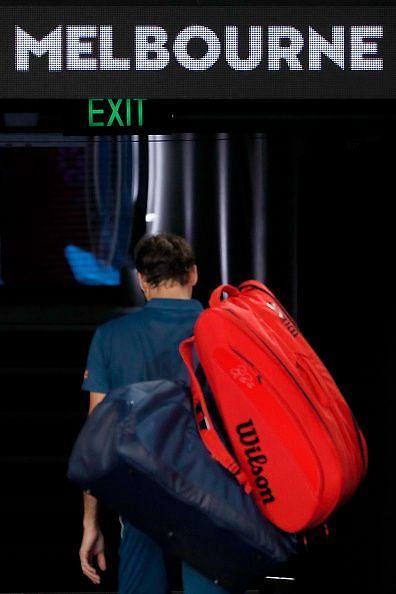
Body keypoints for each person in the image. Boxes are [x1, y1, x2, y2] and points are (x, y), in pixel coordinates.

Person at [79, 232, 242, 594]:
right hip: (217, 500)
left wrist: (91, 522)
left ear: (141, 280)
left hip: (142, 497)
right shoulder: (231, 333)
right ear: (194, 274)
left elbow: (96, 440)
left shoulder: (111, 337)